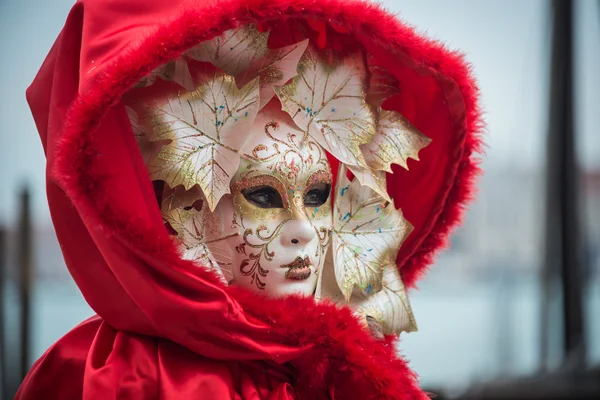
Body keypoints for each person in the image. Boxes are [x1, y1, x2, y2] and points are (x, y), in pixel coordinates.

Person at [18, 1, 483, 399]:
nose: (303, 231)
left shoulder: (332, 370)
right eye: (262, 194)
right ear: (180, 208)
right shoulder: (122, 376)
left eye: (318, 195)